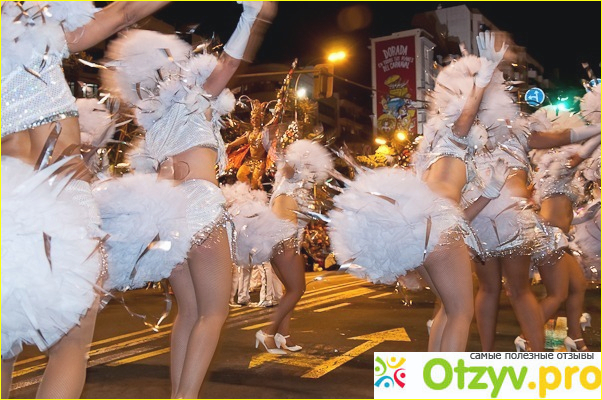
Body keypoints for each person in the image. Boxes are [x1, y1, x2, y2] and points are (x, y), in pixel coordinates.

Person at [100, 2, 277, 397]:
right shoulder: (192, 98)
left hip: (169, 218)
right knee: (214, 312)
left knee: (189, 312)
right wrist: (253, 16)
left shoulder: (150, 123)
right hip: (201, 207)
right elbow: (230, 63)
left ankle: (178, 394)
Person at [1, 2, 171, 398]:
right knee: (71, 347)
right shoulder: (44, 27)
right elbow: (124, 12)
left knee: (3, 344)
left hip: (7, 198)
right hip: (64, 195)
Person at [328, 31, 508, 351]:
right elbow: (466, 119)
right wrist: (485, 74)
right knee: (461, 313)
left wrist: (488, 194)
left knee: (447, 310)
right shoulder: (455, 136)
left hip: (420, 228)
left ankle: (432, 376)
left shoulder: (431, 150)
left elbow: (454, 215)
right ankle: (448, 380)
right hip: (439, 224)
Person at [525, 98, 601, 352]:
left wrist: (583, 218)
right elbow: (583, 154)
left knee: (578, 285)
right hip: (549, 236)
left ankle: (575, 339)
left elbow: (564, 210)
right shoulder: (557, 164)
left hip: (559, 236)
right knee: (558, 294)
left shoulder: (555, 169)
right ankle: (526, 338)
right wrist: (599, 132)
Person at [256, 139, 334, 354]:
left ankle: (283, 336)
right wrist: (281, 147)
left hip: (283, 243)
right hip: (285, 242)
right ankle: (267, 333)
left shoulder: (296, 190)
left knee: (291, 290)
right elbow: (288, 166)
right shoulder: (288, 182)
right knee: (297, 289)